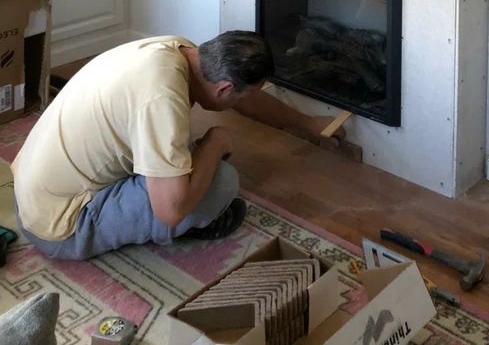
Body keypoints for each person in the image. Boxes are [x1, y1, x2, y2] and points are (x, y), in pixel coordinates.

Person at [11, 31, 331, 261]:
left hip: (33, 192)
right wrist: (217, 143)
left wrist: (306, 123)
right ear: (224, 89)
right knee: (220, 182)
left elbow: (247, 100)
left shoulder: (179, 51)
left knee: (185, 156)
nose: (244, 102)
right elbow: (170, 211)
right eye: (242, 95)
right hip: (60, 226)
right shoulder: (161, 101)